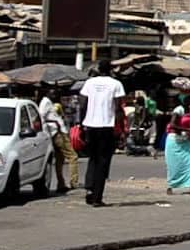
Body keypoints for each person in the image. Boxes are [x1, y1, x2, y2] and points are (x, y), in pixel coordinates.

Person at [78, 59, 125, 207]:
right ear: (111, 70)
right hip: (107, 126)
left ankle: (89, 189)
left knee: (93, 159)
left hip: (90, 126)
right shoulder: (116, 84)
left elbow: (82, 104)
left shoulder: (89, 83)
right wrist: (121, 129)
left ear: (98, 69)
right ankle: (97, 197)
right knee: (103, 161)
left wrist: (82, 124)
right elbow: (118, 108)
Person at [165, 95, 190, 195]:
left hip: (185, 140)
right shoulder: (178, 110)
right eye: (188, 99)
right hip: (175, 140)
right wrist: (189, 130)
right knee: (174, 165)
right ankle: (171, 186)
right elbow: (172, 125)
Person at [39, 90, 78, 193]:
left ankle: (61, 184)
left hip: (57, 132)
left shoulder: (50, 103)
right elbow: (41, 117)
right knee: (72, 156)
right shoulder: (45, 103)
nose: (55, 95)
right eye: (52, 93)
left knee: (60, 159)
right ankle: (74, 182)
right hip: (58, 133)